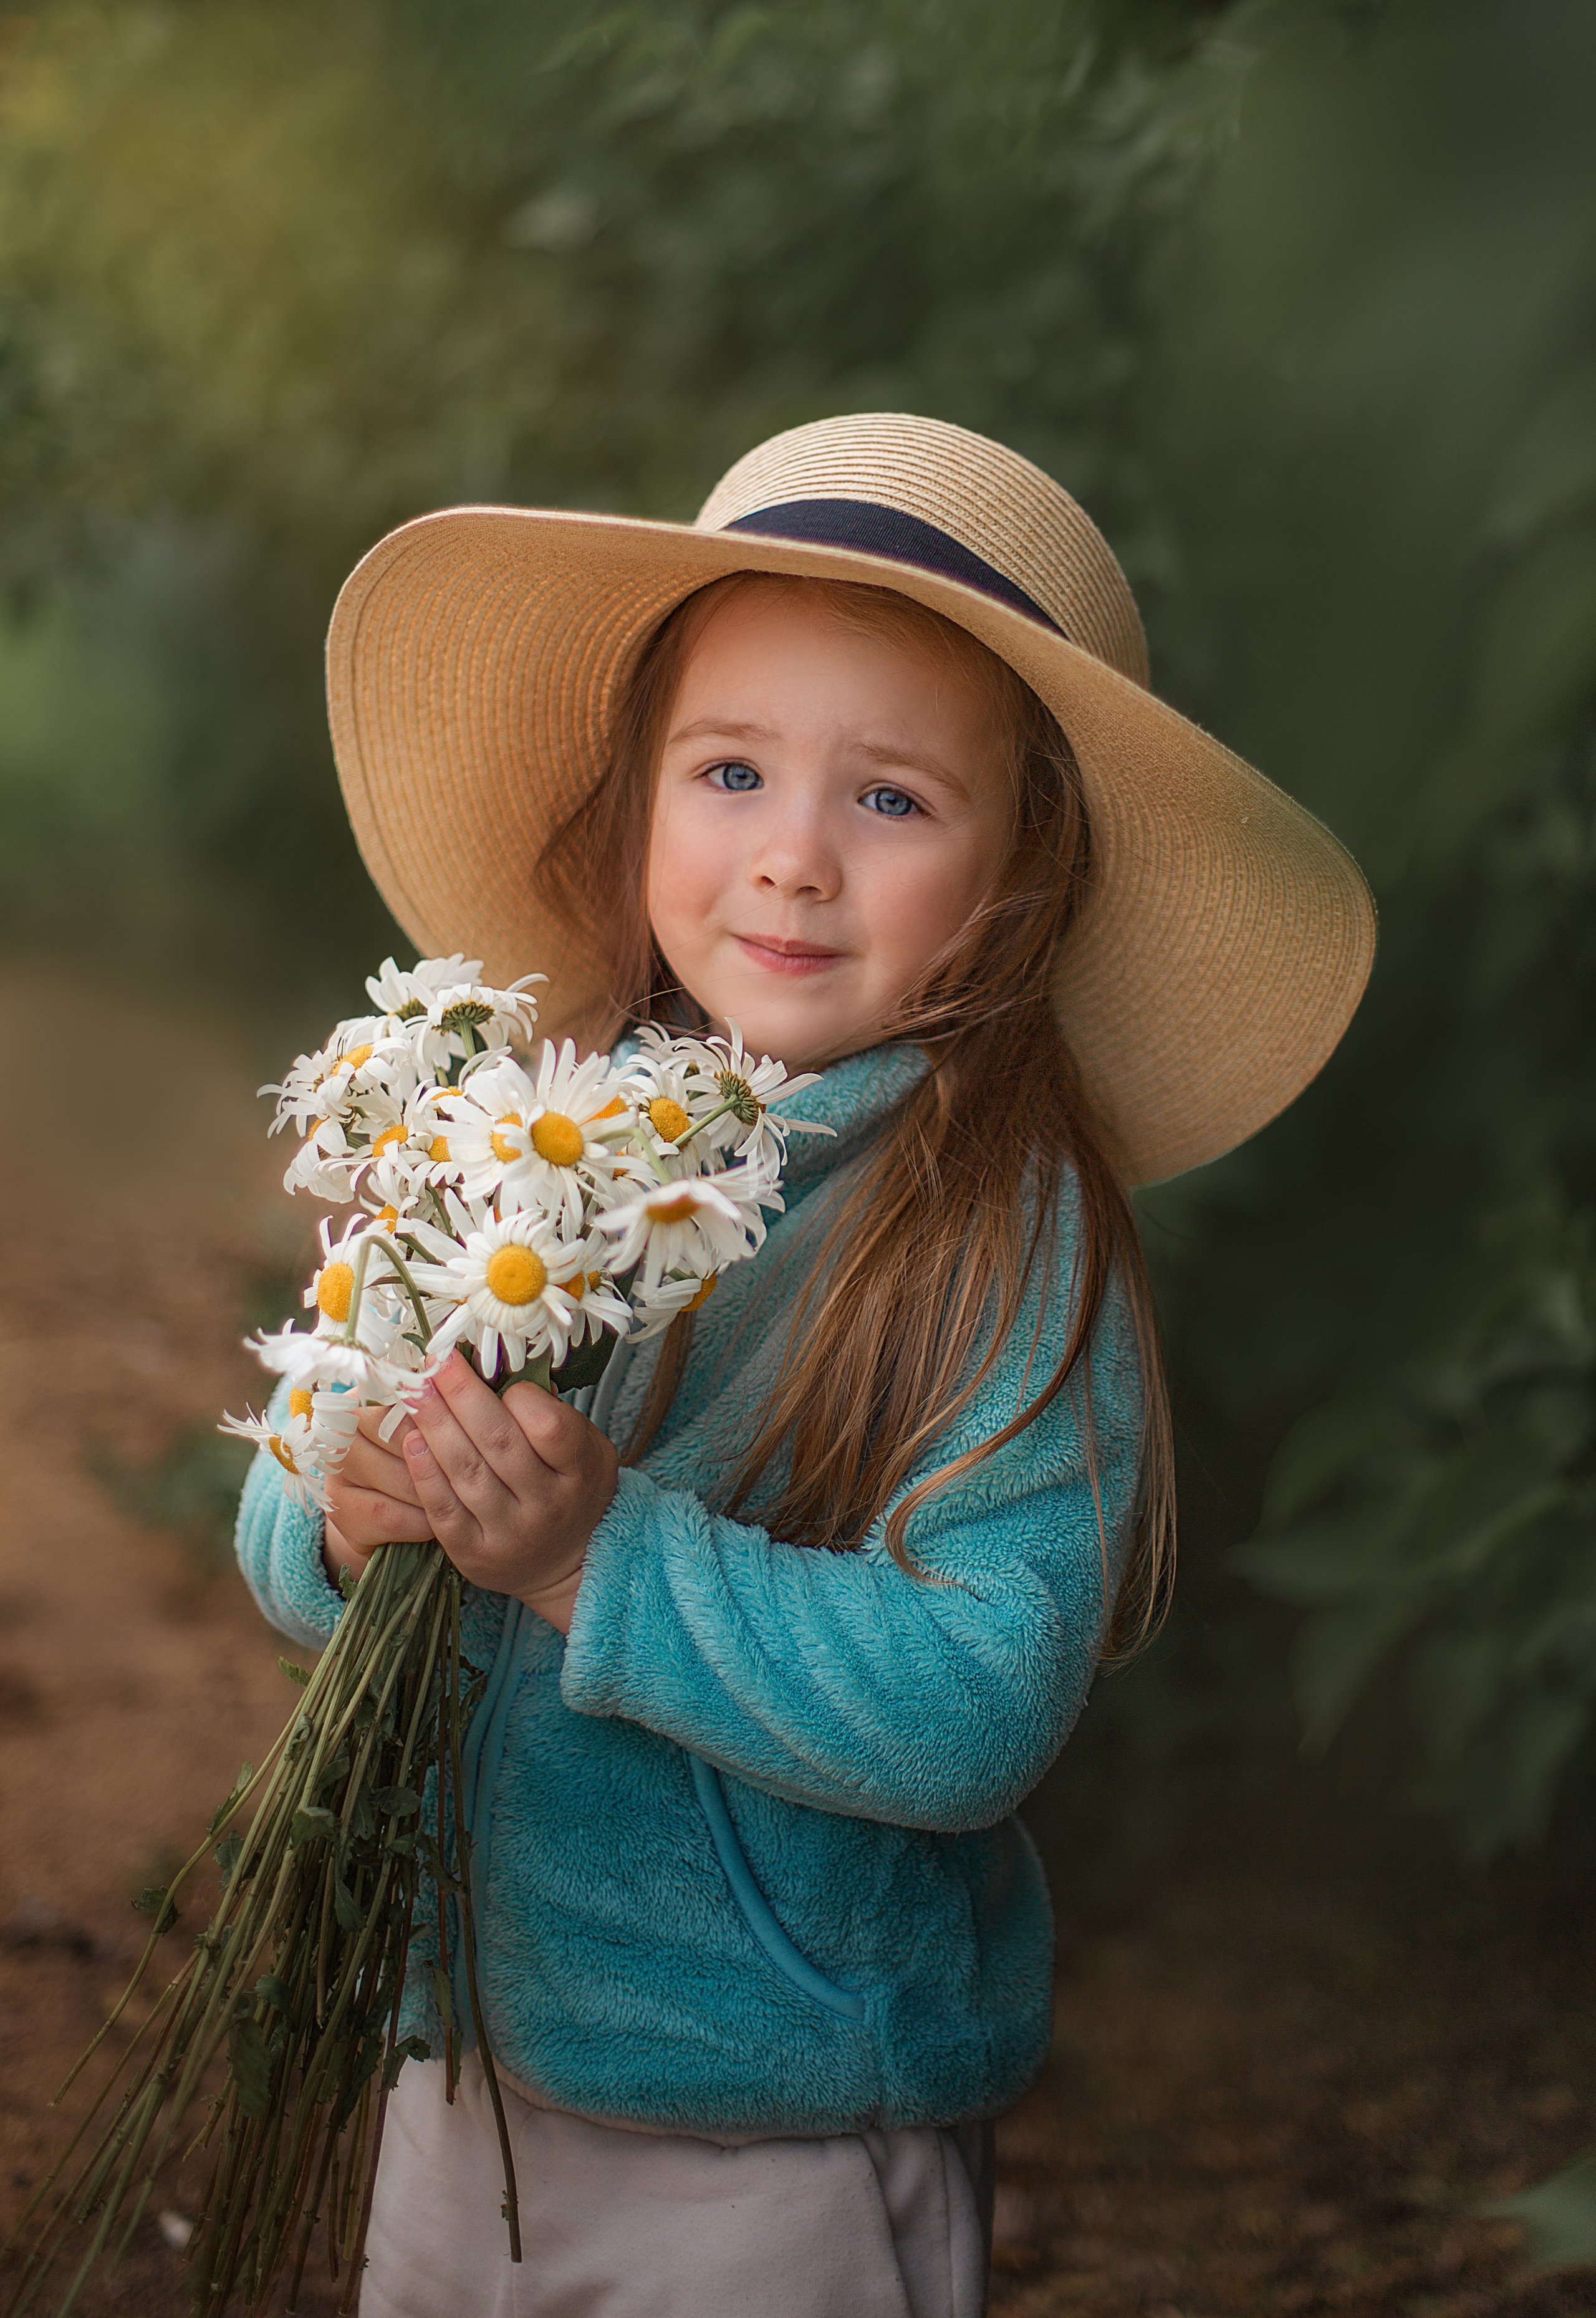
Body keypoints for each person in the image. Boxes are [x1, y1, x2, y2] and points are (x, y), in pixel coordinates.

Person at [236, 413, 1375, 2316]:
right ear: (638, 802)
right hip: (463, 2075)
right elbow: (304, 1500)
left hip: (774, 2147)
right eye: (735, 770)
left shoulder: (996, 1228)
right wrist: (344, 1513)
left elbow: (980, 1694)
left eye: (894, 802)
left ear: (1024, 877)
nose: (791, 861)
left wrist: (606, 1563)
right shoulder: (541, 1129)